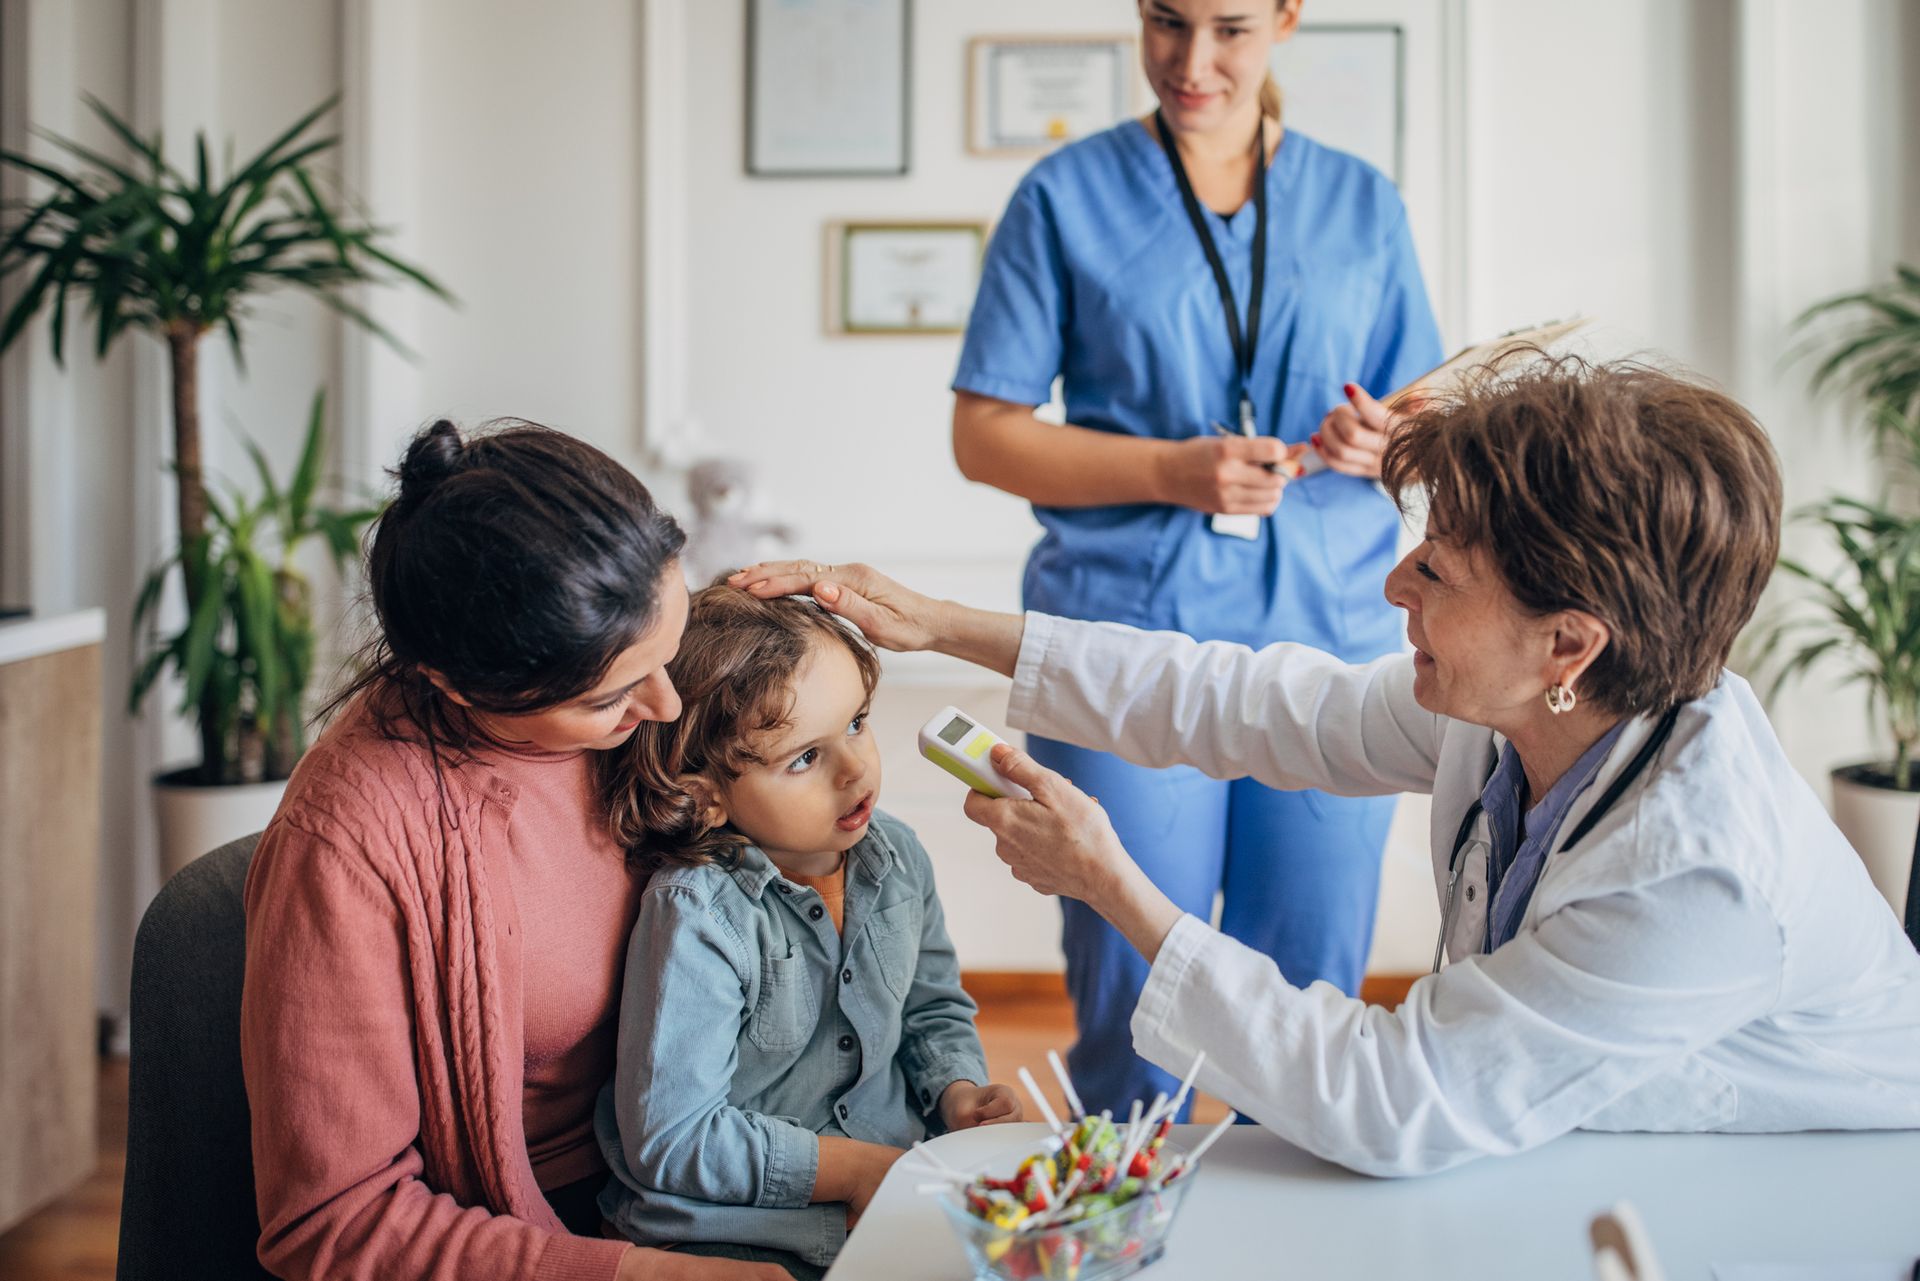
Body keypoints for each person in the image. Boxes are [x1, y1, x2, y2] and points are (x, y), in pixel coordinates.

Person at [730, 358, 1920, 1177]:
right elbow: (1252, 704)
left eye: (1438, 573)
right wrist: (943, 623)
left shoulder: (1695, 874)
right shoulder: (1546, 708)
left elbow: (1390, 1097)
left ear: (1570, 640)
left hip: (1810, 1179)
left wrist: (1111, 882)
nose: (1396, 587)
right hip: (1608, 1131)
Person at [949, 0, 1444, 1117]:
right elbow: (984, 434)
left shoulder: (1362, 202)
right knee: (1136, 991)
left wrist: (1386, 442)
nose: (1193, 62)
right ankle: (1127, 1227)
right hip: (1126, 632)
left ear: (1285, 17)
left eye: (1229, 27)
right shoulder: (1065, 198)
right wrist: (1172, 470)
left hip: (1334, 635)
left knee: (1308, 990)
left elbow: (1424, 416)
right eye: (1167, 22)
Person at [241, 421, 785, 1280]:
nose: (669, 704)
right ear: (458, 685)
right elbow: (334, 1223)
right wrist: (639, 1272)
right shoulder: (349, 845)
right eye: (612, 696)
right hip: (556, 1229)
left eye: (669, 652)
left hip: (724, 1156)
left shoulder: (634, 717)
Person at [591, 587, 1020, 1279]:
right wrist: (852, 1172)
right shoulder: (697, 914)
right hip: (726, 1232)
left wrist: (958, 1091)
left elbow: (931, 1007)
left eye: (856, 723)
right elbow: (674, 1136)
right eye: (803, 758)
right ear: (705, 796)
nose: (855, 770)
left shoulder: (899, 858)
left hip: (887, 1198)